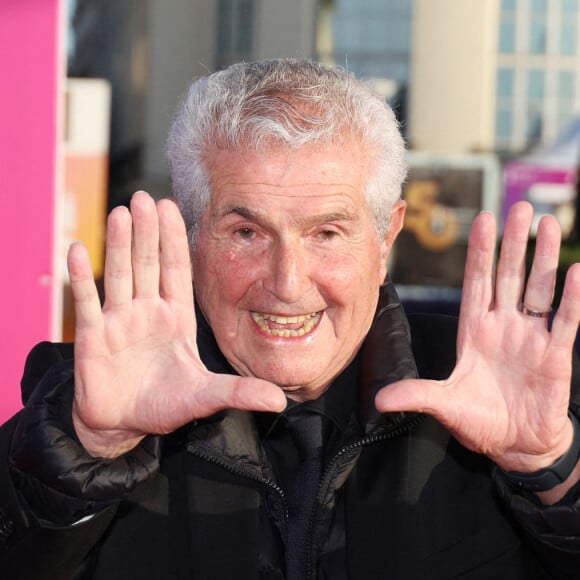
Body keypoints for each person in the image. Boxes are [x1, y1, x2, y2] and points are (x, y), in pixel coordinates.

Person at [1, 58, 580, 580]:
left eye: (327, 234)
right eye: (247, 233)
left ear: (386, 238)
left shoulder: (496, 394)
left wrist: (555, 474)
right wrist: (80, 457)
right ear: (193, 236)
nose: (288, 282)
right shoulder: (87, 406)